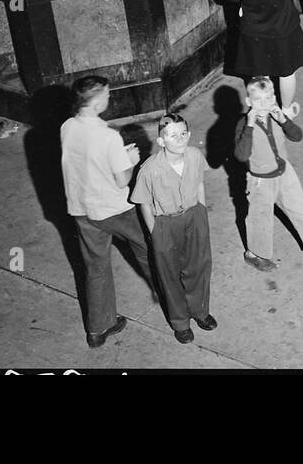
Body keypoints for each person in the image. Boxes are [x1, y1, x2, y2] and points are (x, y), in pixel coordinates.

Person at [60, 75, 155, 349]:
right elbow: (122, 180)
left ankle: (98, 328)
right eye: (107, 95)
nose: (109, 98)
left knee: (96, 268)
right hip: (113, 209)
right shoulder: (108, 136)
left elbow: (84, 159)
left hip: (80, 208)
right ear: (96, 101)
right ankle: (172, 297)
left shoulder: (68, 127)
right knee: (148, 247)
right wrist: (130, 160)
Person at [233, 77, 303, 272]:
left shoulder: (276, 115)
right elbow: (241, 155)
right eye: (258, 100)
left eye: (268, 99)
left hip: (284, 172)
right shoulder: (243, 124)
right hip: (260, 180)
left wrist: (283, 120)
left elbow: (297, 136)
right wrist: (249, 126)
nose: (264, 104)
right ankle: (254, 254)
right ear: (249, 102)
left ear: (274, 97)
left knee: (300, 209)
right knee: (260, 218)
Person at [131, 113, 214, 344]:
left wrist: (202, 214)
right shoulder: (149, 169)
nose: (180, 139)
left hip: (194, 215)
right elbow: (143, 202)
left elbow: (199, 183)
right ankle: (180, 323)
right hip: (165, 223)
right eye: (172, 135)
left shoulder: (195, 155)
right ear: (160, 141)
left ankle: (200, 311)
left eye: (183, 133)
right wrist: (154, 231)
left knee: (199, 266)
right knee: (170, 275)